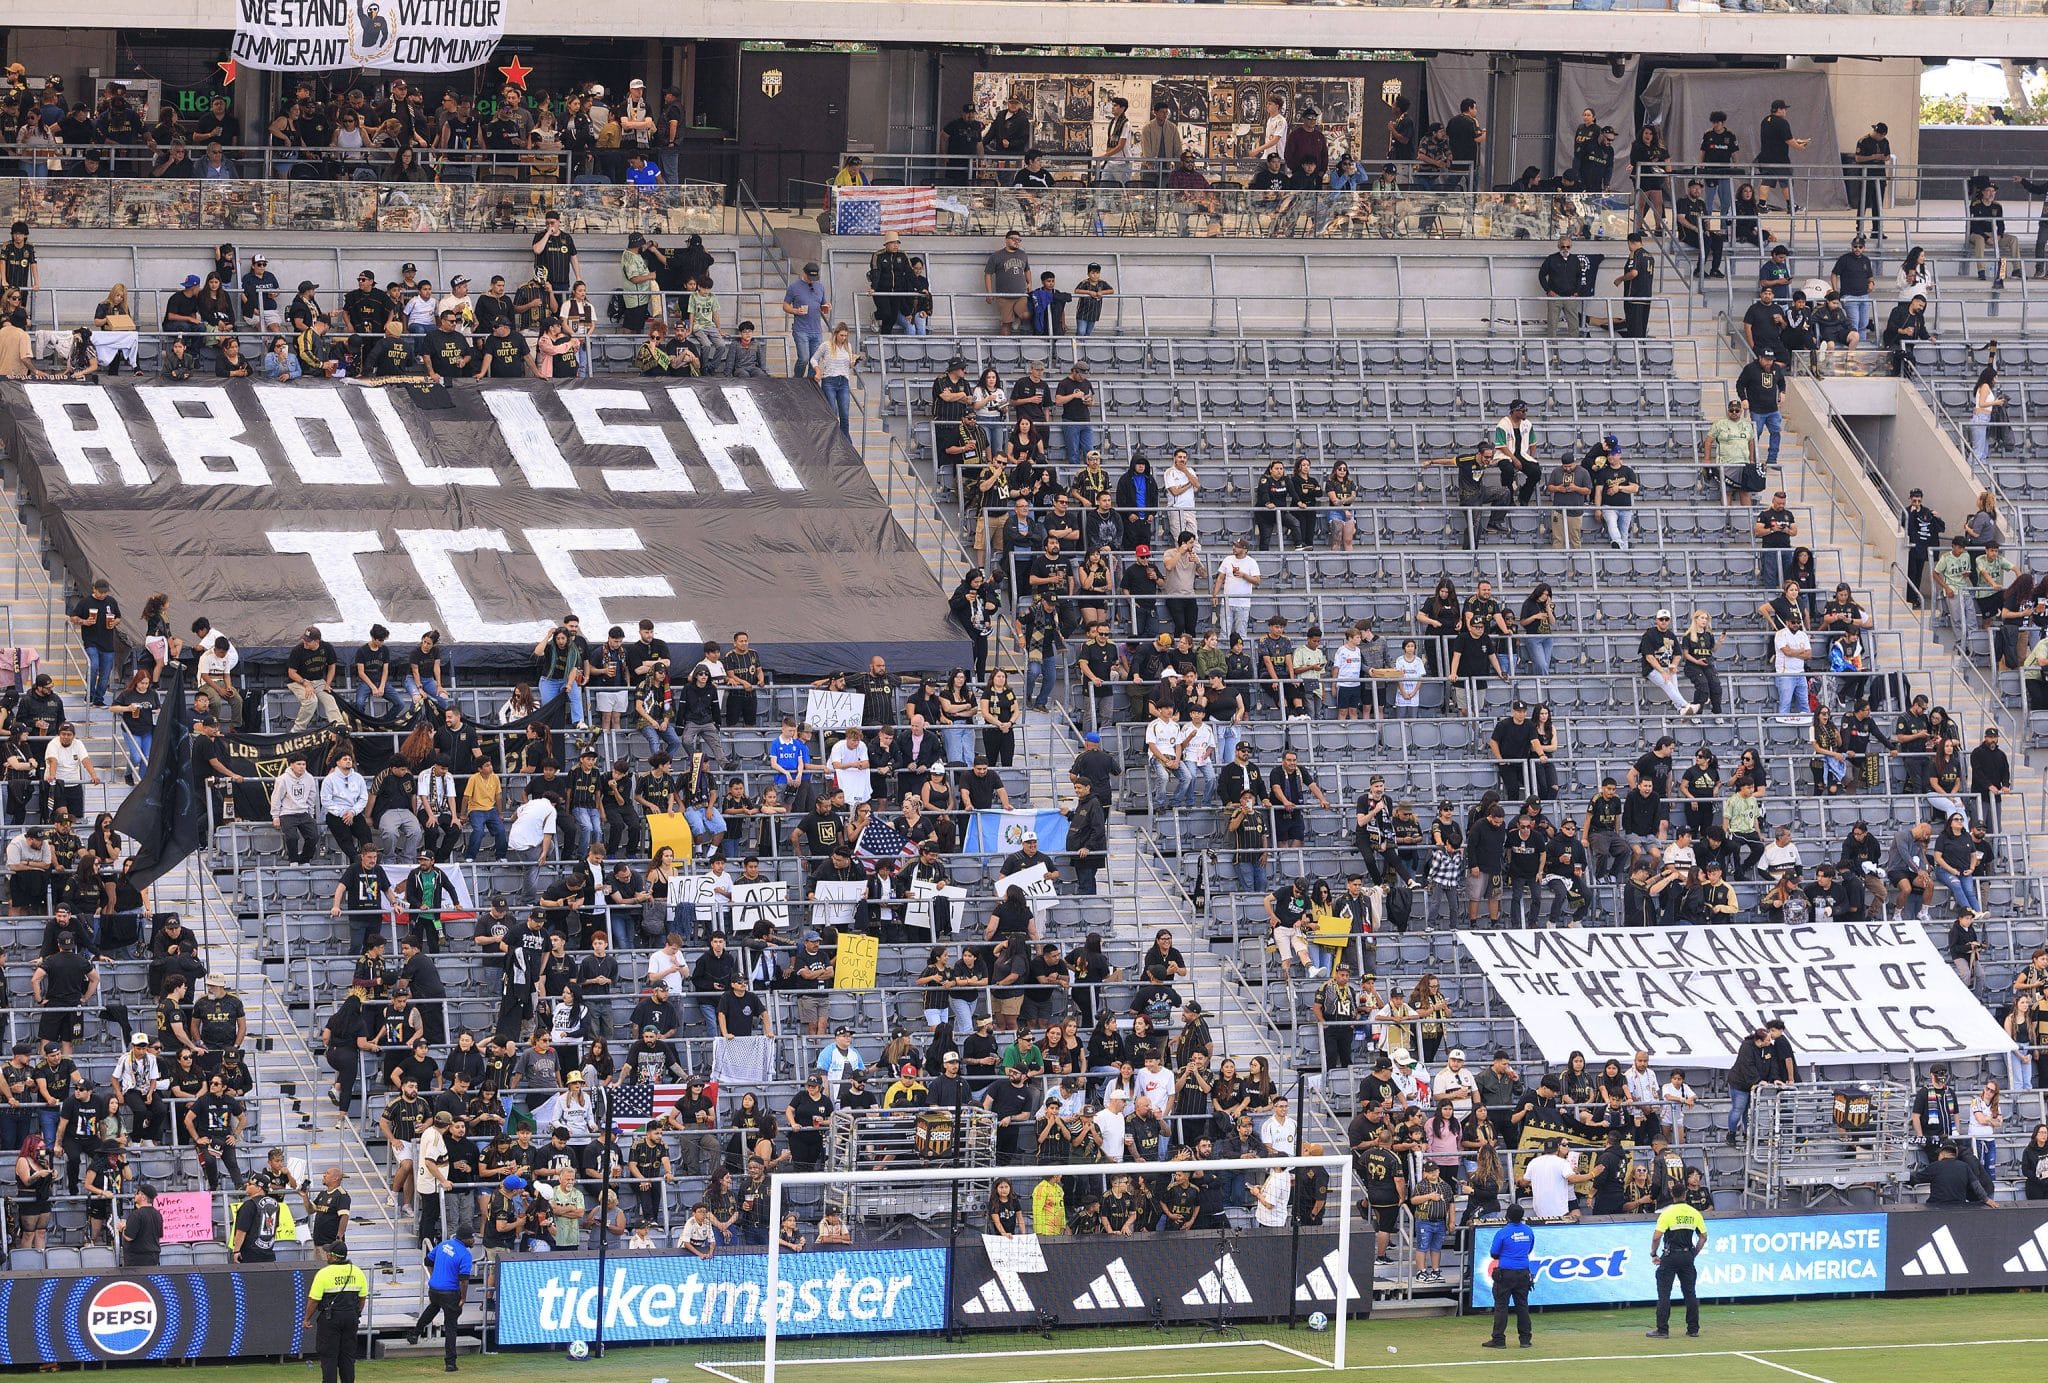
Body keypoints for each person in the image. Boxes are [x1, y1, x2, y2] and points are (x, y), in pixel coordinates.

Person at [303, 1242, 370, 1383]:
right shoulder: (357, 1271)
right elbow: (362, 1299)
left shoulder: (324, 1274)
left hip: (330, 1319)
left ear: (333, 1256)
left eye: (328, 1253)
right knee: (347, 1357)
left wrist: (307, 1319)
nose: (326, 1255)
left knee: (329, 1357)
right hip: (351, 1318)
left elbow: (314, 1300)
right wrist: (355, 1314)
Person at [1644, 1197, 1708, 1339]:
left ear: (1673, 1196)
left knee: (1664, 1294)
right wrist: (1693, 1253)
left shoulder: (1667, 1213)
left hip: (1670, 1256)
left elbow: (1656, 1237)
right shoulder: (1694, 1213)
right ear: (1684, 1196)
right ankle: (1693, 1329)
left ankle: (1662, 1330)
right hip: (1687, 1256)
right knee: (1690, 1293)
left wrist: (1653, 1254)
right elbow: (1703, 1237)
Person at [1482, 1203, 1535, 1349]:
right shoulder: (1528, 1231)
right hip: (1523, 1272)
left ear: (1507, 1216)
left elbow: (1494, 1253)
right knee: (1522, 1306)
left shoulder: (1503, 1232)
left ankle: (1499, 1340)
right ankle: (1525, 1339)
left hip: (1506, 1273)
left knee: (1501, 1307)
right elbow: (1529, 1249)